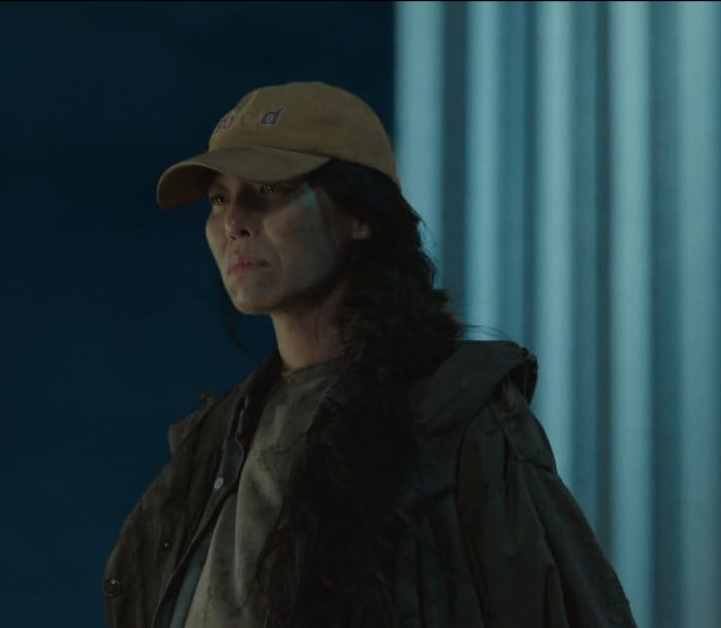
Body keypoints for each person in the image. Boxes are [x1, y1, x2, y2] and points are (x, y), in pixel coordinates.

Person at [102, 81, 636, 628]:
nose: (233, 221)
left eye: (269, 187)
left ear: (361, 215)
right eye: (218, 198)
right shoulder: (211, 447)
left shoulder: (452, 417)